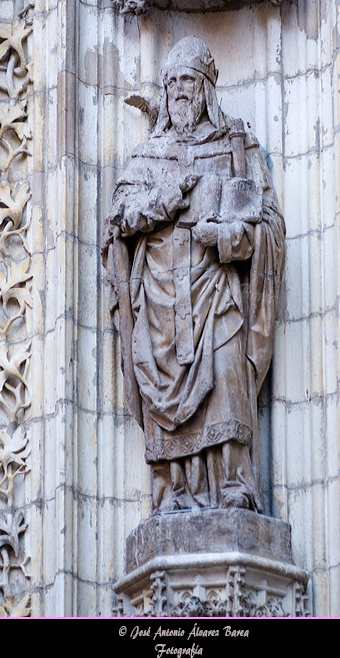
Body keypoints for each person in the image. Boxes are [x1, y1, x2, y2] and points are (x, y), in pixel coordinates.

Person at [102, 36, 285, 513]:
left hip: (216, 294)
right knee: (162, 386)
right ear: (164, 93)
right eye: (173, 82)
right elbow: (117, 222)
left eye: (190, 80)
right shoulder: (147, 157)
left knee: (227, 378)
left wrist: (226, 237)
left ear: (206, 89)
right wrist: (164, 200)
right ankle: (173, 491)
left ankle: (234, 485)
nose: (181, 90)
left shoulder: (235, 150)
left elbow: (267, 224)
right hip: (160, 302)